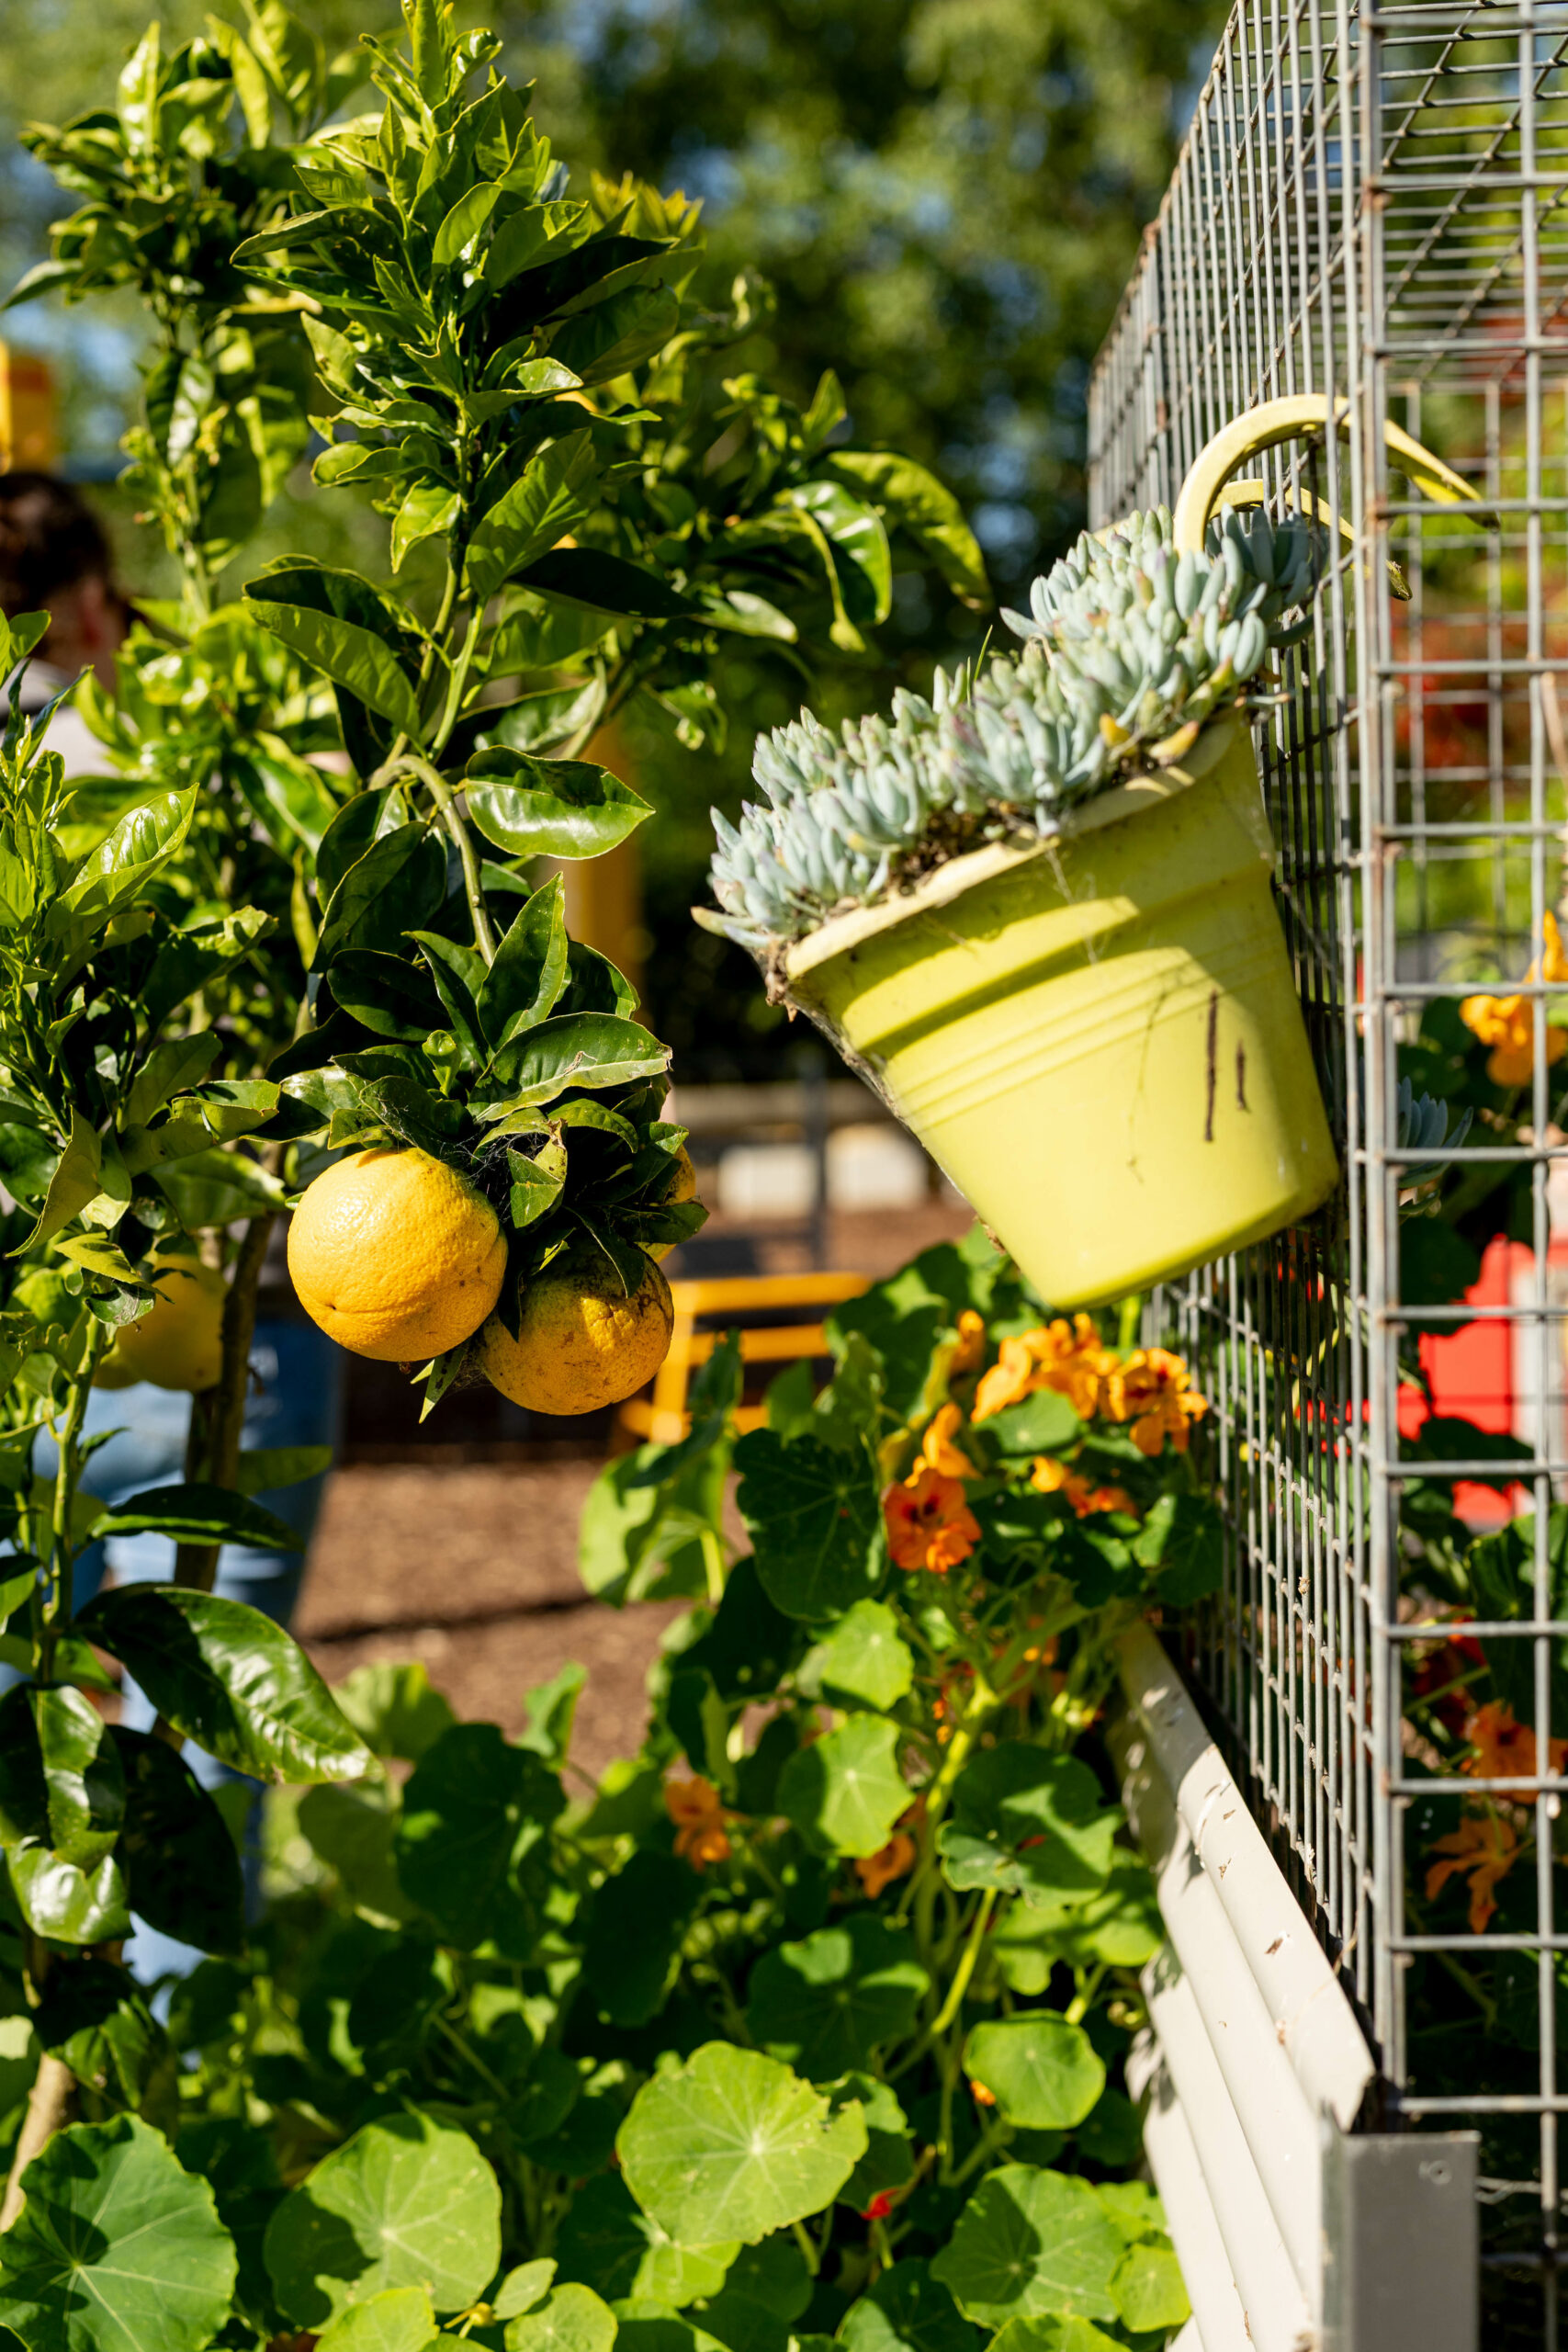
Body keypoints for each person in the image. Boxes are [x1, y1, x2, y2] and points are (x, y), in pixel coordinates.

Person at [0, 472, 344, 1980]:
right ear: (92, 604)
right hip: (201, 1316)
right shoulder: (202, 758)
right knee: (203, 1713)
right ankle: (178, 2052)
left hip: (30, 1319)